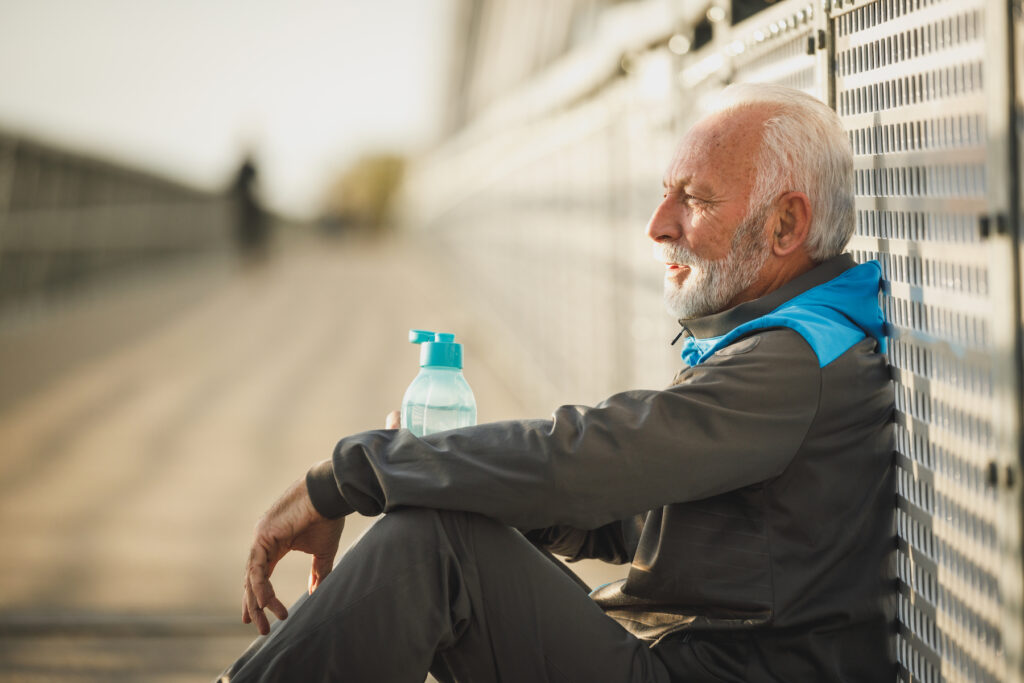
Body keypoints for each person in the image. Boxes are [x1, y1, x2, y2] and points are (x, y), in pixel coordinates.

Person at [218, 83, 895, 682]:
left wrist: (346, 478)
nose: (658, 226)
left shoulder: (798, 362)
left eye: (693, 199)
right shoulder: (788, 338)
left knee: (435, 548)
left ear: (786, 224)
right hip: (670, 654)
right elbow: (631, 521)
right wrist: (443, 474)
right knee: (438, 518)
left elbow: (588, 456)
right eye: (665, 193)